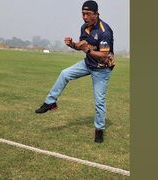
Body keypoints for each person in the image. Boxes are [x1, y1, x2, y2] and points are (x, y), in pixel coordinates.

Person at [35, 0, 115, 143]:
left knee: (99, 102)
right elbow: (81, 46)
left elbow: (104, 56)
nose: (85, 17)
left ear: (96, 14)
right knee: (64, 73)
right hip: (88, 63)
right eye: (83, 14)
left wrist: (88, 50)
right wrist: (72, 44)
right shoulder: (84, 27)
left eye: (88, 14)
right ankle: (50, 102)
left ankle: (99, 130)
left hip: (101, 69)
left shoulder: (105, 31)